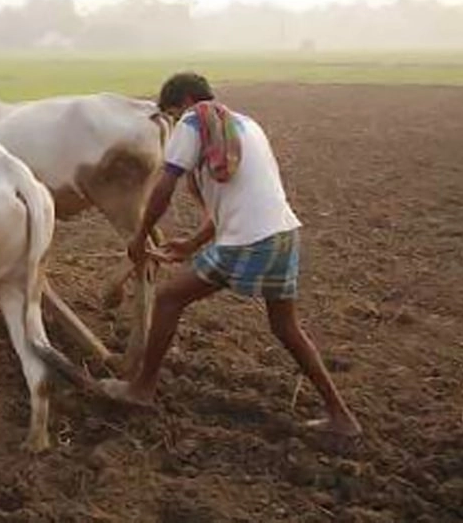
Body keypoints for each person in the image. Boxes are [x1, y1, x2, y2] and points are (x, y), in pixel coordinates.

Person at [100, 72, 362, 436]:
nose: (174, 123)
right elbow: (239, 199)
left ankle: (141, 389)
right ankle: (341, 416)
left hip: (248, 242)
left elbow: (164, 186)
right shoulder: (246, 126)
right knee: (285, 327)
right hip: (283, 234)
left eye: (172, 113)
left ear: (186, 101)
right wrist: (192, 243)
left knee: (169, 298)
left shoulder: (194, 121)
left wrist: (140, 235)